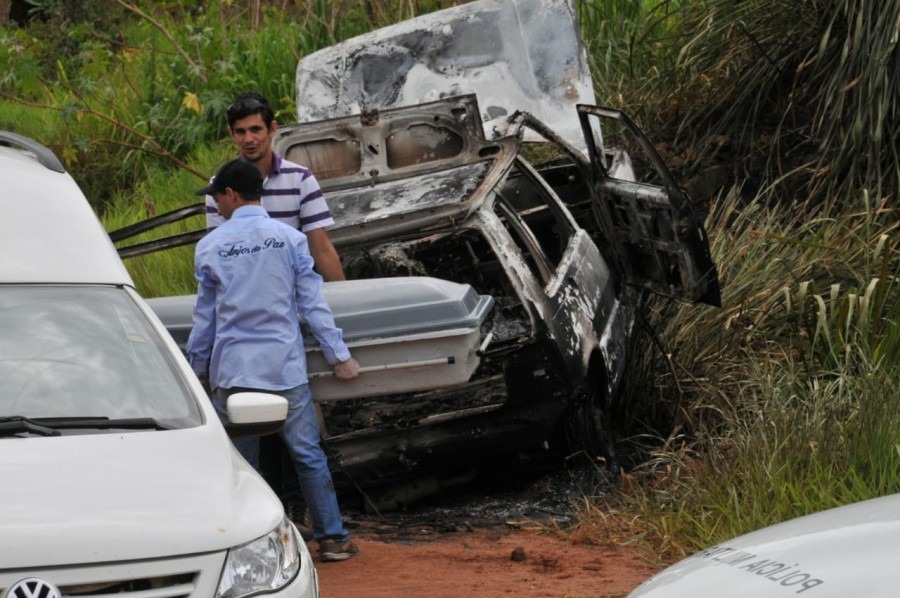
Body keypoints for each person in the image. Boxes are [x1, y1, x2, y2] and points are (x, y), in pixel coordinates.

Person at [186, 158, 360, 562]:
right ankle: (332, 539)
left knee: (242, 465)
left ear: (231, 194)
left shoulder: (210, 246)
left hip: (234, 373)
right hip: (284, 368)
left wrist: (195, 370)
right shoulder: (289, 239)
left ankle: (251, 549)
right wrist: (339, 356)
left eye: (216, 197)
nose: (216, 205)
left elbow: (204, 322)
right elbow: (312, 305)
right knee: (307, 455)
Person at [206, 91, 344, 526]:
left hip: (262, 335)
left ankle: (277, 522)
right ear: (232, 135)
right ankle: (315, 527)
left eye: (256, 130)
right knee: (296, 440)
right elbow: (225, 259)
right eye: (241, 131)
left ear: (272, 130)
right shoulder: (220, 187)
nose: (249, 139)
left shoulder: (300, 180)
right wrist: (338, 347)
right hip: (278, 331)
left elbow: (322, 248)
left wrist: (344, 306)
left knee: (258, 441)